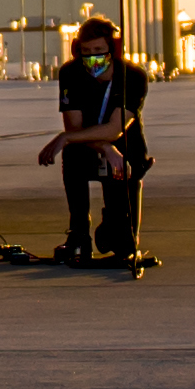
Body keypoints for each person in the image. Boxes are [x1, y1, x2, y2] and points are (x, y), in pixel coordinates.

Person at [45, 15, 151, 266]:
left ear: (112, 49)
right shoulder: (70, 73)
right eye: (86, 51)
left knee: (117, 239)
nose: (92, 57)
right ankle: (78, 231)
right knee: (72, 157)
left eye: (99, 51)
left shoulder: (132, 77)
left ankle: (121, 231)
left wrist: (69, 138)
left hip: (126, 150)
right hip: (89, 146)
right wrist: (104, 146)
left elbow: (115, 128)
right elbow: (75, 127)